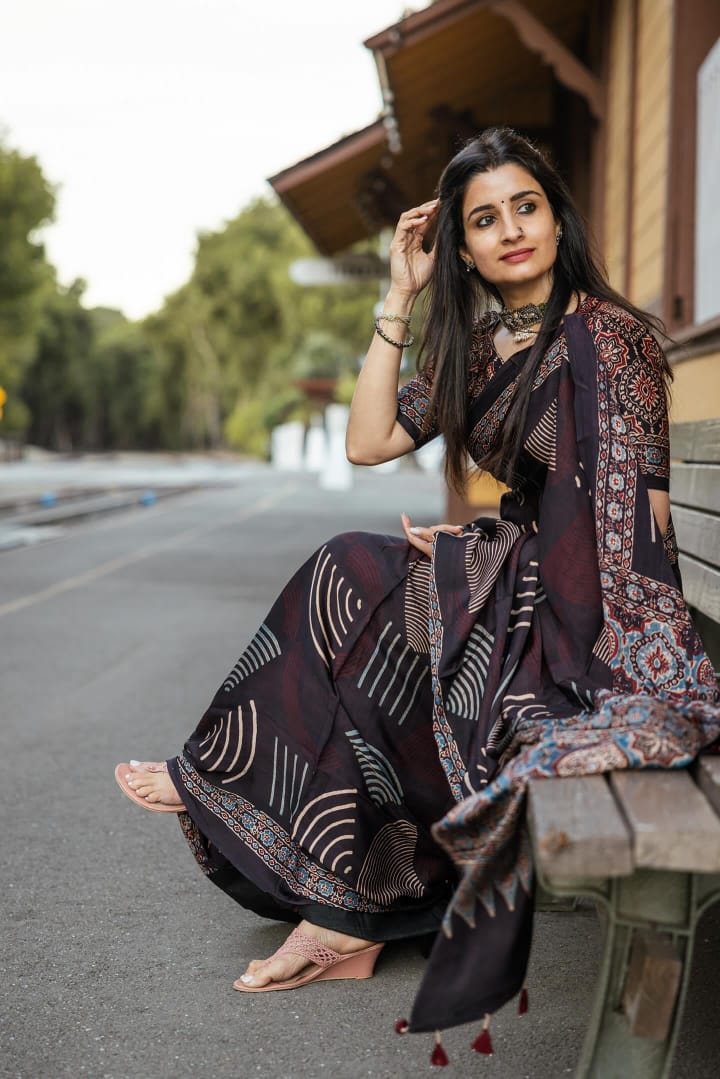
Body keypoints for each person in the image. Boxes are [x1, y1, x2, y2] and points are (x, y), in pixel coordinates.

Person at [115, 128, 719, 1055]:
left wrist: (620, 636)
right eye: (484, 219)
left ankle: (336, 904)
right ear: (463, 246)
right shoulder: (473, 347)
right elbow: (366, 443)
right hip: (526, 569)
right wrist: (397, 298)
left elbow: (637, 514)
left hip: (593, 607)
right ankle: (341, 899)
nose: (511, 230)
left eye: (526, 206)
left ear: (558, 215)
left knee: (372, 586)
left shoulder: (613, 335)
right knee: (352, 571)